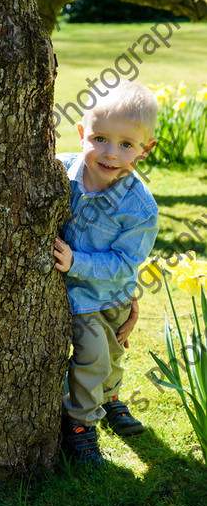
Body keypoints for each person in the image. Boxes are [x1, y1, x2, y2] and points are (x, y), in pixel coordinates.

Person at [53, 80, 158, 467]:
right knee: (94, 355)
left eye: (127, 145)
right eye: (99, 138)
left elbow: (124, 262)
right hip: (77, 298)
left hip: (113, 291)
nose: (111, 154)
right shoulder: (60, 173)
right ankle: (79, 423)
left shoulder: (139, 207)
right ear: (82, 134)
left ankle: (110, 398)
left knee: (114, 356)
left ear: (145, 150)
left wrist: (78, 262)